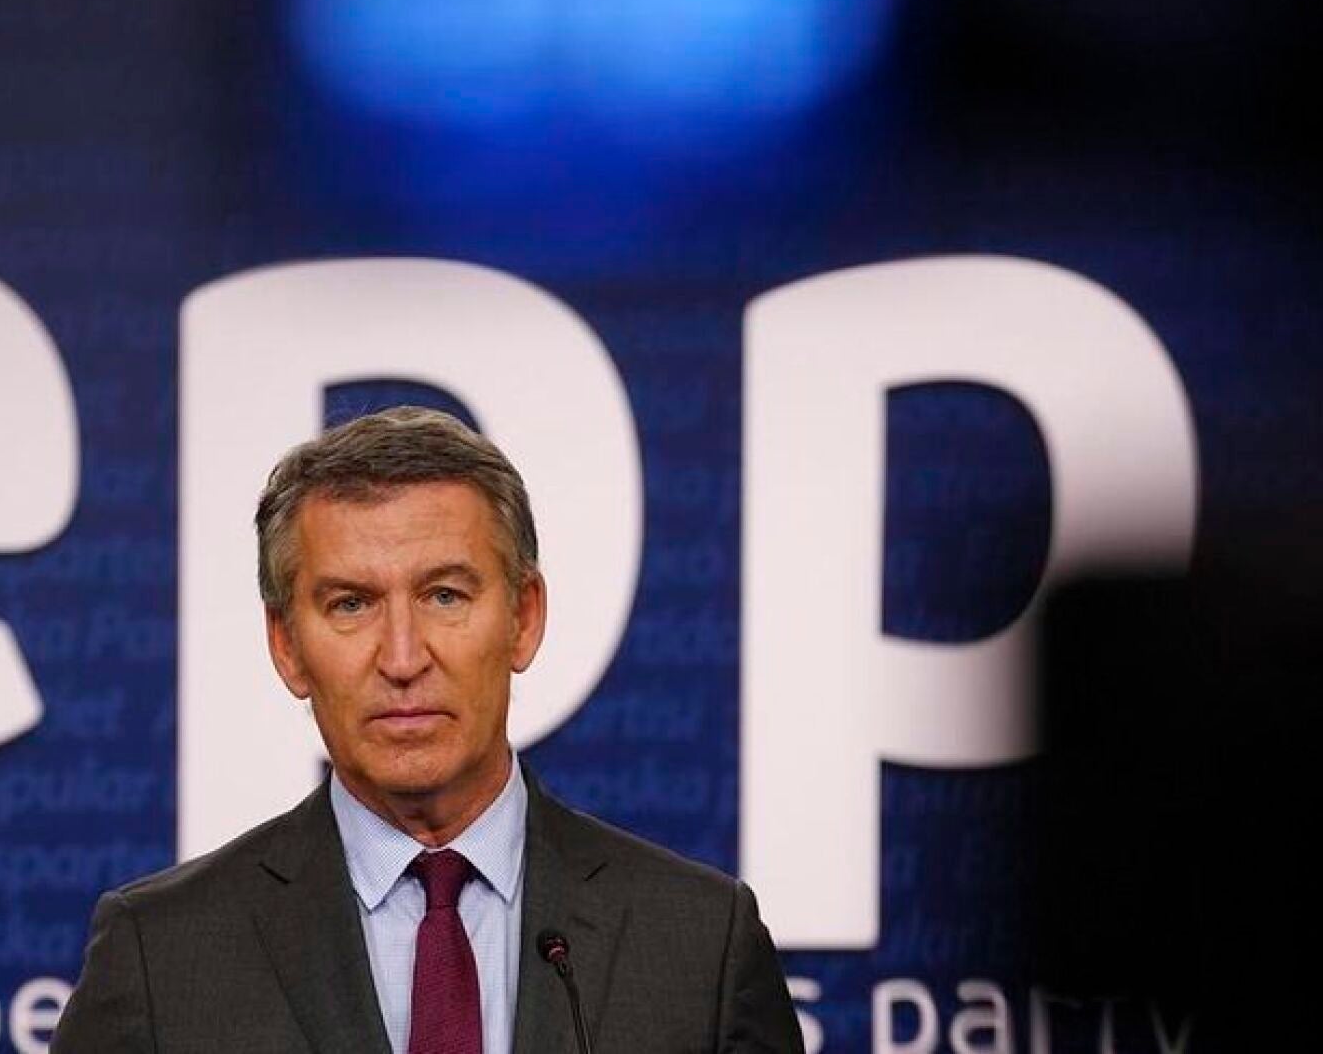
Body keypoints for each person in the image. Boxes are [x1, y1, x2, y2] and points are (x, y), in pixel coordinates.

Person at [51, 406, 803, 1053]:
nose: (403, 658)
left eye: (445, 595)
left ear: (524, 617)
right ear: (287, 645)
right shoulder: (161, 955)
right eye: (351, 604)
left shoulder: (699, 944)